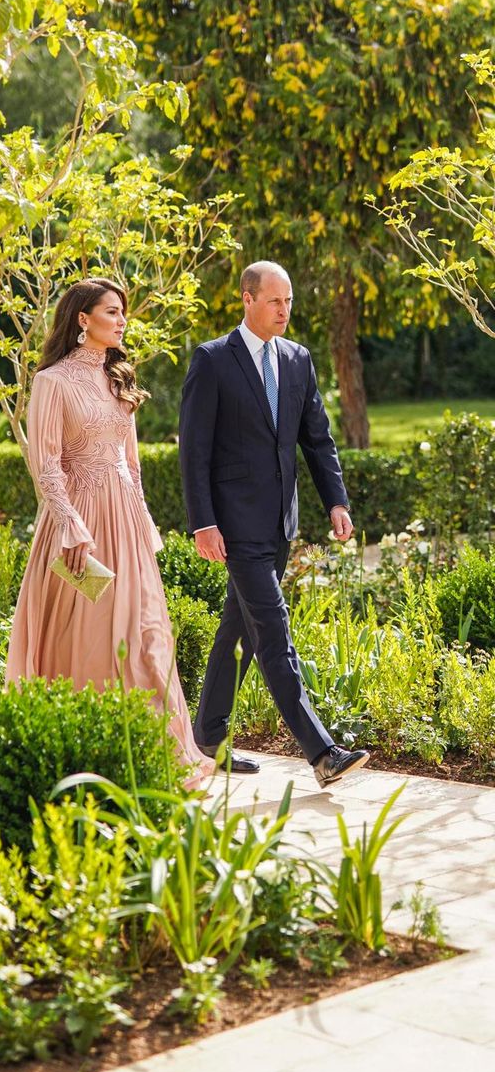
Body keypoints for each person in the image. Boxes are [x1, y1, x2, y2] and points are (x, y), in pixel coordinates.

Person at [6, 277, 212, 785]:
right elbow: (46, 464)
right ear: (82, 319)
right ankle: (86, 749)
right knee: (90, 635)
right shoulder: (52, 382)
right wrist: (71, 527)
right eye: (112, 311)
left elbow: (132, 463)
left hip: (125, 524)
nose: (122, 320)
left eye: (123, 313)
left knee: (145, 635)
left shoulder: (120, 377)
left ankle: (154, 752)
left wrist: (143, 524)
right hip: (80, 526)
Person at [179, 260, 370, 788]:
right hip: (233, 526)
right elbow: (193, 452)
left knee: (236, 628)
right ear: (247, 299)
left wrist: (336, 500)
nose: (284, 310)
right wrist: (203, 523)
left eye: (289, 301)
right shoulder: (213, 360)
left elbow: (317, 438)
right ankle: (322, 751)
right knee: (272, 630)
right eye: (274, 301)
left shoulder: (298, 359)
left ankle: (209, 737)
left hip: (280, 522)